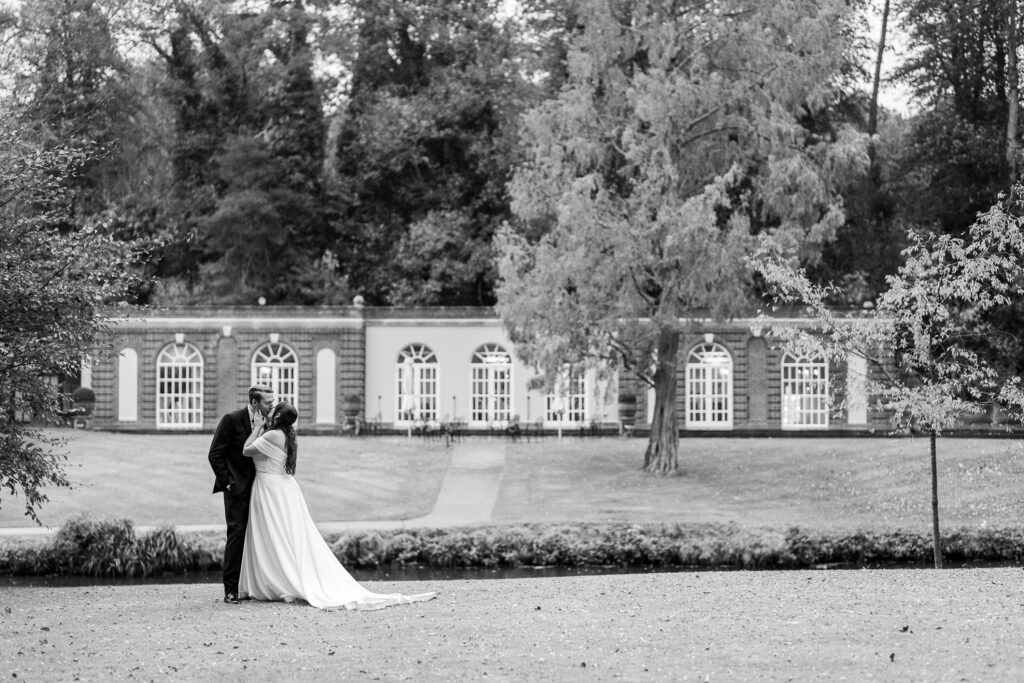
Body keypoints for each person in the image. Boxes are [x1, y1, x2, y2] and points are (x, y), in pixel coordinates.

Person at [238, 402, 436, 610]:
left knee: (276, 535)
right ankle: (282, 581)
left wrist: (258, 427)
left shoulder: (271, 435)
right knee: (284, 536)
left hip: (271, 489)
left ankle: (283, 582)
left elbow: (246, 450)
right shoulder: (287, 436)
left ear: (277, 416)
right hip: (282, 488)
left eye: (273, 410)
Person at [208, 384, 275, 604]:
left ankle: (258, 586)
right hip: (237, 488)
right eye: (267, 402)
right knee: (236, 535)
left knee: (261, 535)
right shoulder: (231, 419)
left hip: (262, 487)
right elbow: (215, 454)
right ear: (255, 402)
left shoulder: (269, 423)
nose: (271, 405)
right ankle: (230, 590)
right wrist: (227, 483)